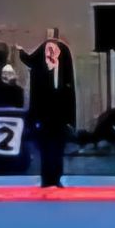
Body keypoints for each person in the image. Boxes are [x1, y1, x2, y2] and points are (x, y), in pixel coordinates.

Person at [23, 29, 79, 188]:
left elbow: (69, 87)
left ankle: (56, 177)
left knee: (58, 146)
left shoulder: (64, 53)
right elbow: (34, 83)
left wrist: (70, 118)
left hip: (60, 111)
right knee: (45, 146)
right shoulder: (40, 55)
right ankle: (46, 178)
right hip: (44, 111)